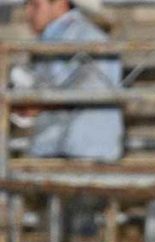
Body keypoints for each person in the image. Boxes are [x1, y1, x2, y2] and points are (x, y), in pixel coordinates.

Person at [19, 0, 123, 161]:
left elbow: (91, 90)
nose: (28, 14)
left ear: (60, 3)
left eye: (35, 5)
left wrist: (37, 103)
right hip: (56, 149)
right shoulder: (48, 41)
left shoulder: (91, 39)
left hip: (86, 152)